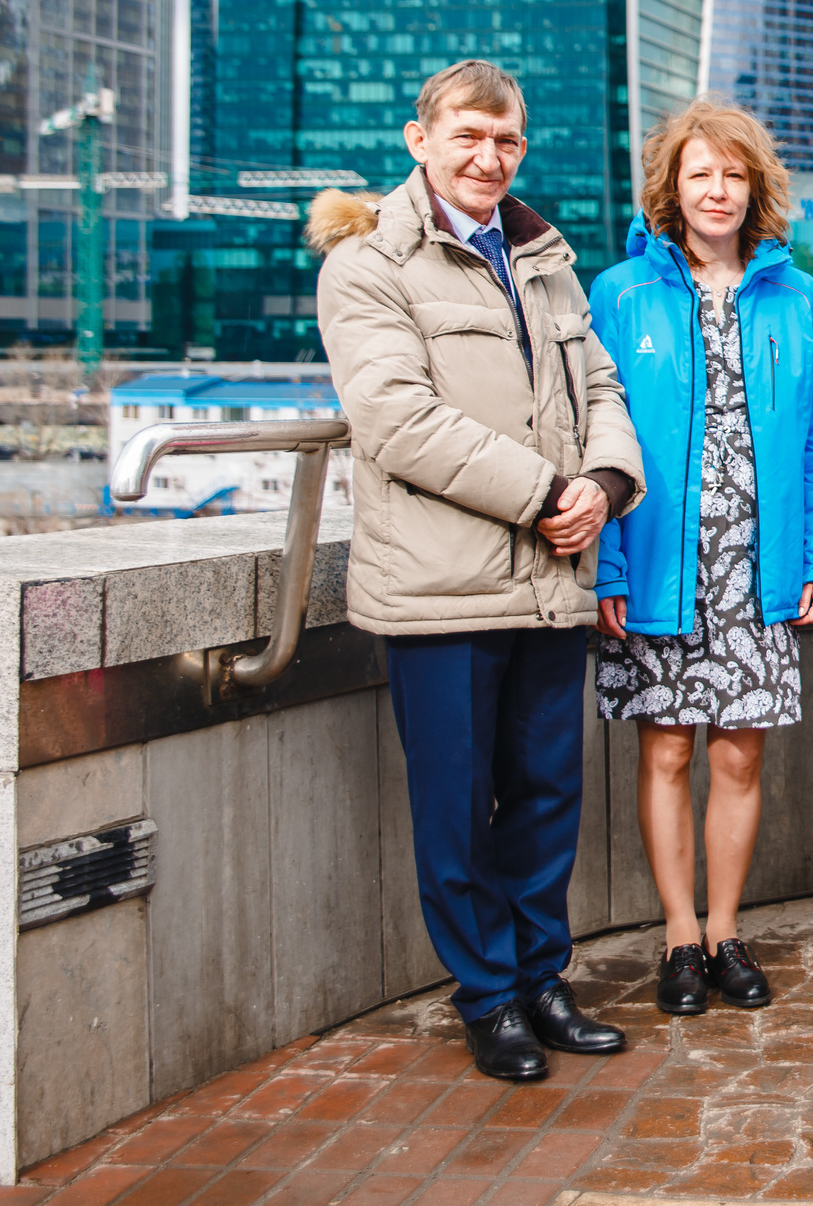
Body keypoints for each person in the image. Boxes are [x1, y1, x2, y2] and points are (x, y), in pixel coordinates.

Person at [309, 58, 645, 1082]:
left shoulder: (544, 258)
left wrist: (605, 479)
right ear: (420, 140)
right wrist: (550, 494)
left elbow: (600, 381)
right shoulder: (367, 265)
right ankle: (488, 996)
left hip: (549, 585)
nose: (487, 157)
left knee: (546, 794)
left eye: (505, 141)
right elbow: (397, 421)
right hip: (440, 590)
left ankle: (545, 978)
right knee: (457, 808)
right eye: (466, 136)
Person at [588, 100, 813, 1015]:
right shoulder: (619, 293)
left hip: (757, 566)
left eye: (733, 174)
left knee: (740, 758)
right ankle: (677, 938)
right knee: (665, 751)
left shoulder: (798, 296)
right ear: (671, 186)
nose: (716, 190)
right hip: (661, 560)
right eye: (700, 173)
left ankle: (727, 928)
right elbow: (597, 435)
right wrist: (609, 568)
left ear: (756, 187)